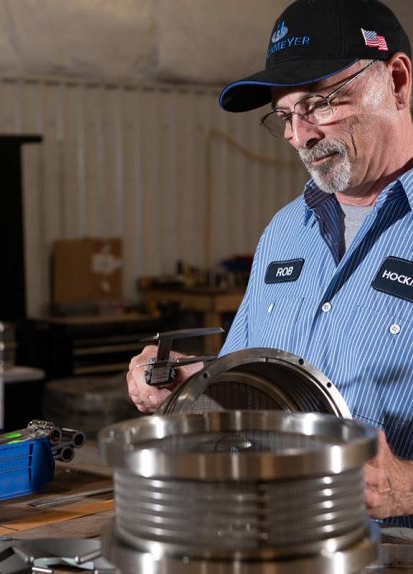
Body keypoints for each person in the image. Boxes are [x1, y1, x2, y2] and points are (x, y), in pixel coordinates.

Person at [126, 0, 413, 527]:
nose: (299, 137)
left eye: (320, 104)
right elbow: (243, 389)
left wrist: (405, 487)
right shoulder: (285, 233)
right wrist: (186, 383)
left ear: (396, 80)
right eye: (285, 115)